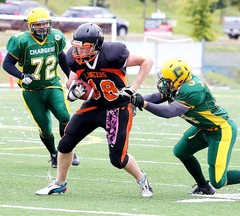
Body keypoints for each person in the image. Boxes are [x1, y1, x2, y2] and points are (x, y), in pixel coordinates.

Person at [35, 23, 154, 197]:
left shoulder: (113, 54)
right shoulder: (73, 59)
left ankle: (143, 180)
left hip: (117, 108)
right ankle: (60, 184)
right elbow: (73, 80)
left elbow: (146, 61)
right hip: (94, 105)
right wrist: (74, 90)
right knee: (65, 143)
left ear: (96, 47)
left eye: (84, 48)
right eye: (76, 47)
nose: (78, 52)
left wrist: (134, 88)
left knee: (118, 160)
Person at [131, 57, 240, 196]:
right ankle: (204, 187)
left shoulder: (194, 89)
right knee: (181, 151)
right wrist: (132, 100)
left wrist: (143, 103)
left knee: (218, 181)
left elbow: (170, 112)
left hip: (221, 130)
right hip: (203, 127)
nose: (165, 83)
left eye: (168, 80)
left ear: (179, 80)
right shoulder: (179, 84)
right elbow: (158, 96)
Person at [2, 7, 80, 168]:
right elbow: (7, 64)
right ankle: (53, 153)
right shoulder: (21, 41)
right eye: (38, 25)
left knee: (65, 116)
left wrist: (71, 79)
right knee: (45, 128)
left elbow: (62, 59)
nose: (43, 28)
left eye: (45, 24)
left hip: (53, 86)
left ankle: (67, 150)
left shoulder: (56, 37)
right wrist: (22, 76)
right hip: (32, 91)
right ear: (30, 26)